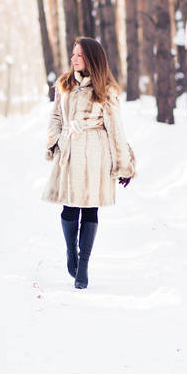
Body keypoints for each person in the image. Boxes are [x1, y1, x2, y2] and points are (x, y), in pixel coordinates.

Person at [42, 37, 135, 289]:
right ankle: (71, 252)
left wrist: (123, 164)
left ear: (91, 59)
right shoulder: (64, 85)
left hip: (96, 153)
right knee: (69, 209)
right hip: (70, 152)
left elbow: (116, 129)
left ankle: (83, 266)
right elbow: (56, 117)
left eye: (79, 55)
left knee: (90, 210)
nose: (73, 59)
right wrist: (55, 142)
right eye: (73, 54)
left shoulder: (106, 89)